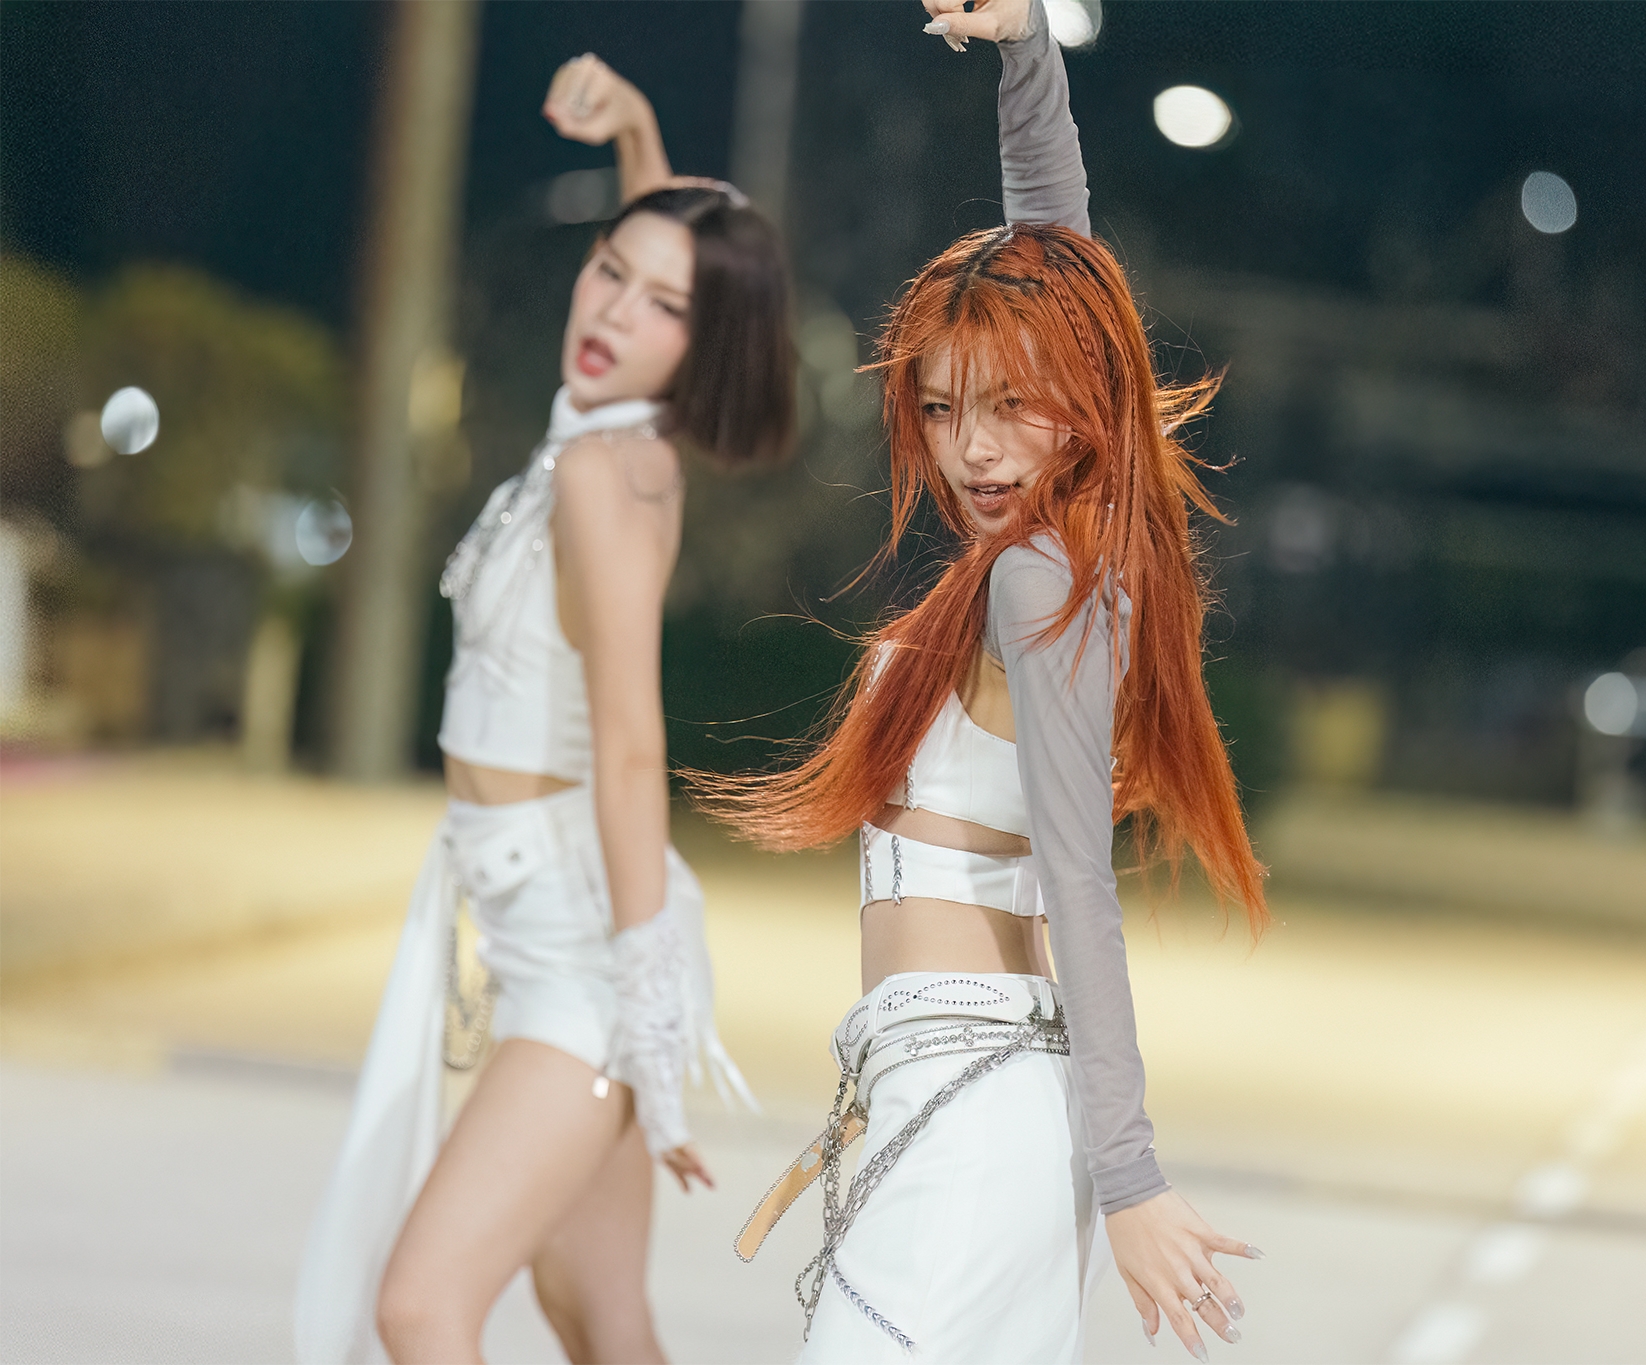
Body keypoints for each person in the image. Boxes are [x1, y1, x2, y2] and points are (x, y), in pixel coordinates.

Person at [606, 0, 1266, 1358]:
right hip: (942, 1087)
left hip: (980, 1114)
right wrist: (1027, 55)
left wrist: (1130, 1174)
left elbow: (1080, 884)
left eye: (1011, 405)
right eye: (945, 407)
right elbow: (1055, 270)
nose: (972, 449)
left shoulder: (1042, 583)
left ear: (1082, 398)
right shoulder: (1055, 558)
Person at [294, 58, 795, 1365]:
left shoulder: (606, 475)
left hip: (585, 955)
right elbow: (673, 248)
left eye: (660, 305)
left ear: (704, 346)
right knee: (598, 1314)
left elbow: (631, 751)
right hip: (533, 923)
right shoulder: (605, 431)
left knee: (421, 1306)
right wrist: (639, 131)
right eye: (609, 270)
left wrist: (648, 1016)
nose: (614, 308)